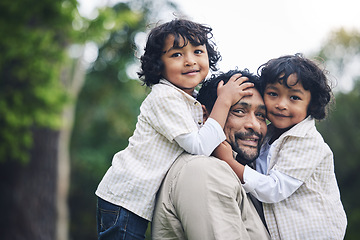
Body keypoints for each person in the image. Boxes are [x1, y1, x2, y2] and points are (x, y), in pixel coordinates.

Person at [95, 19, 253, 239]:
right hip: (125, 197)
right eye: (177, 54)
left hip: (137, 199)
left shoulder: (190, 99)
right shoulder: (165, 97)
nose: (190, 61)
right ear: (158, 64)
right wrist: (224, 102)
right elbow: (199, 147)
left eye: (198, 51)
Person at [215, 54, 347, 239]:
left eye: (294, 97)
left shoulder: (307, 142)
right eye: (273, 94)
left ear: (311, 104)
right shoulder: (268, 134)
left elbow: (273, 189)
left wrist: (228, 160)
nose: (281, 105)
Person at [152, 69, 270, 240]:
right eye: (239, 111)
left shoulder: (249, 175)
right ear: (205, 116)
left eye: (261, 115)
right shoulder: (204, 171)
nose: (255, 125)